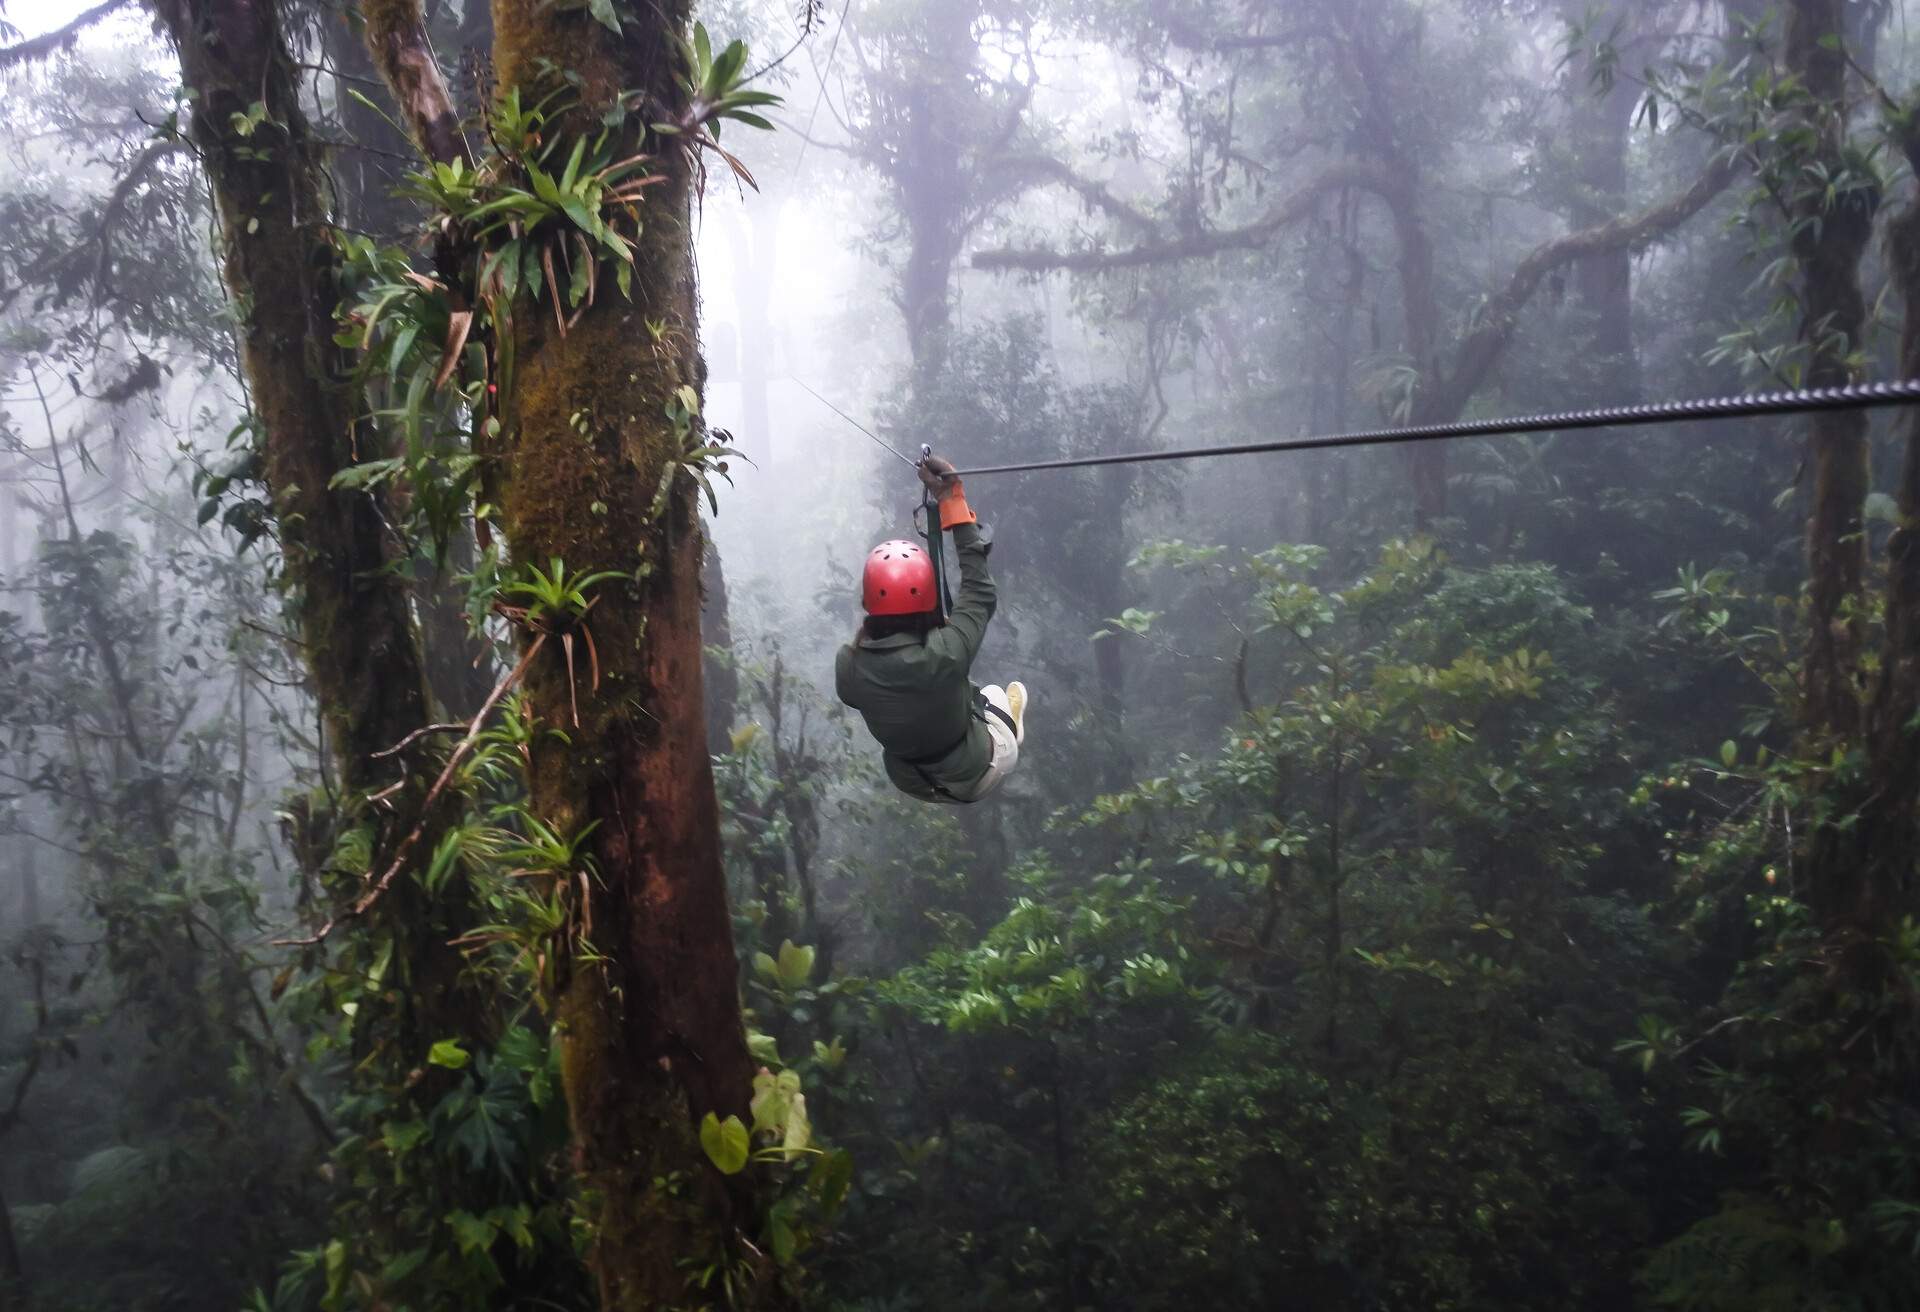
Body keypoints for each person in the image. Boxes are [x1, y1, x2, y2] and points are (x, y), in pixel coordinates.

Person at [835, 454, 1028, 803]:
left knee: (959, 696)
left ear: (868, 604)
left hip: (913, 781)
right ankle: (1008, 723)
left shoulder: (848, 667)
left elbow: (866, 677)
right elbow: (979, 593)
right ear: (928, 599)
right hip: (980, 770)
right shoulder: (946, 651)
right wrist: (951, 498)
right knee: (996, 697)